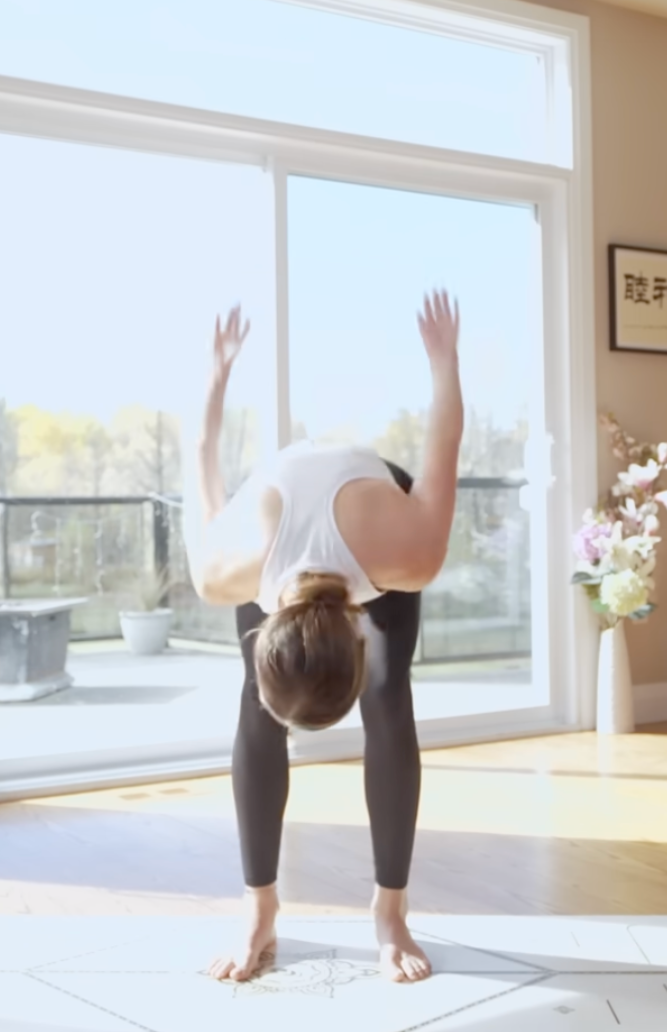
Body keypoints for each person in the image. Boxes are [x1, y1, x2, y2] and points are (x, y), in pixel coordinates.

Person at [184, 291, 464, 987]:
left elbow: (438, 451)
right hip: (278, 521)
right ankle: (259, 912)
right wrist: (214, 381)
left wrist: (445, 365)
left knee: (391, 702)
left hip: (370, 501)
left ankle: (390, 913)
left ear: (362, 636)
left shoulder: (405, 549)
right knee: (256, 710)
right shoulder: (227, 567)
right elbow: (200, 461)